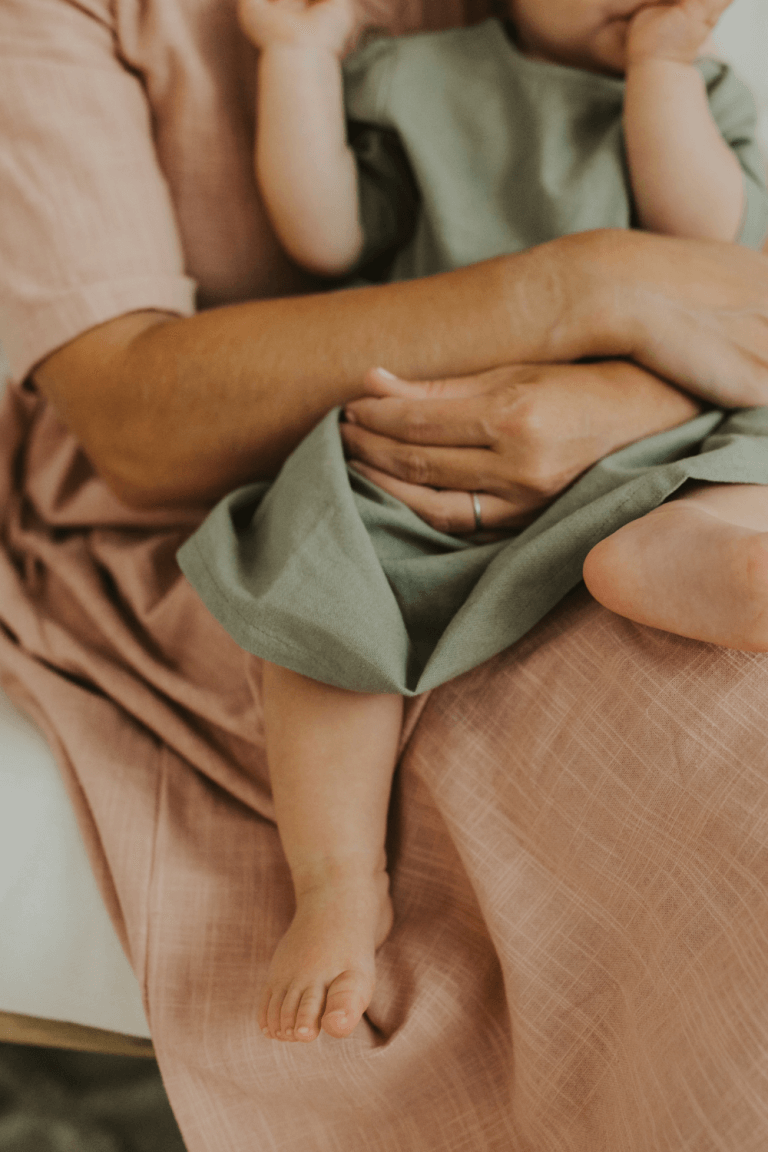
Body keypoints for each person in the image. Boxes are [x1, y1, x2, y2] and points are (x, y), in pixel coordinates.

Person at [4, 0, 768, 1149]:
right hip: (393, 449)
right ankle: (338, 878)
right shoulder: (419, 77)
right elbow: (312, 248)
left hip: (655, 444)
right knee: (321, 596)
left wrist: (628, 389)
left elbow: (726, 261)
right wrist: (300, 64)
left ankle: (704, 551)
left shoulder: (697, 90)